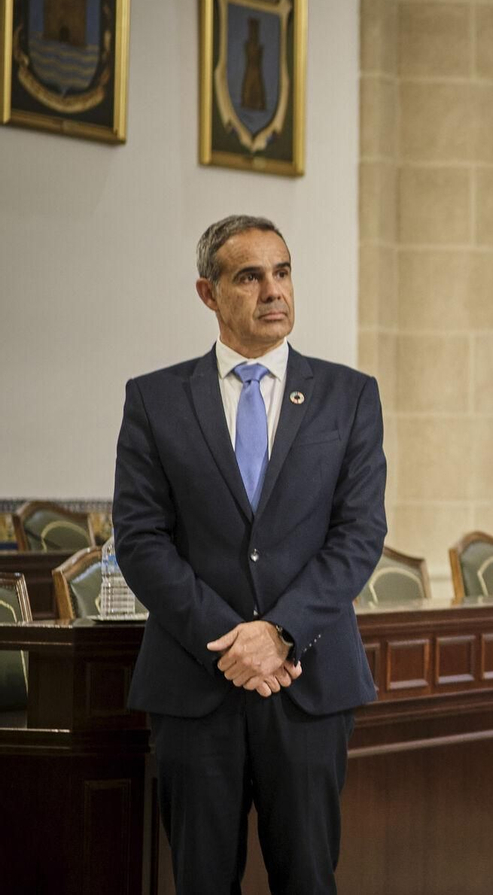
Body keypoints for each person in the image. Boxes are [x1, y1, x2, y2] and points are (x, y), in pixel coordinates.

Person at [114, 215, 386, 894]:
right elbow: (141, 539)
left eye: (283, 271)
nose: (273, 290)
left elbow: (359, 533)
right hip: (195, 684)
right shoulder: (155, 399)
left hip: (308, 684)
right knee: (202, 882)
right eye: (249, 276)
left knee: (309, 880)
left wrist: (280, 633)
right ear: (208, 293)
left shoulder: (348, 396)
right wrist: (235, 643)